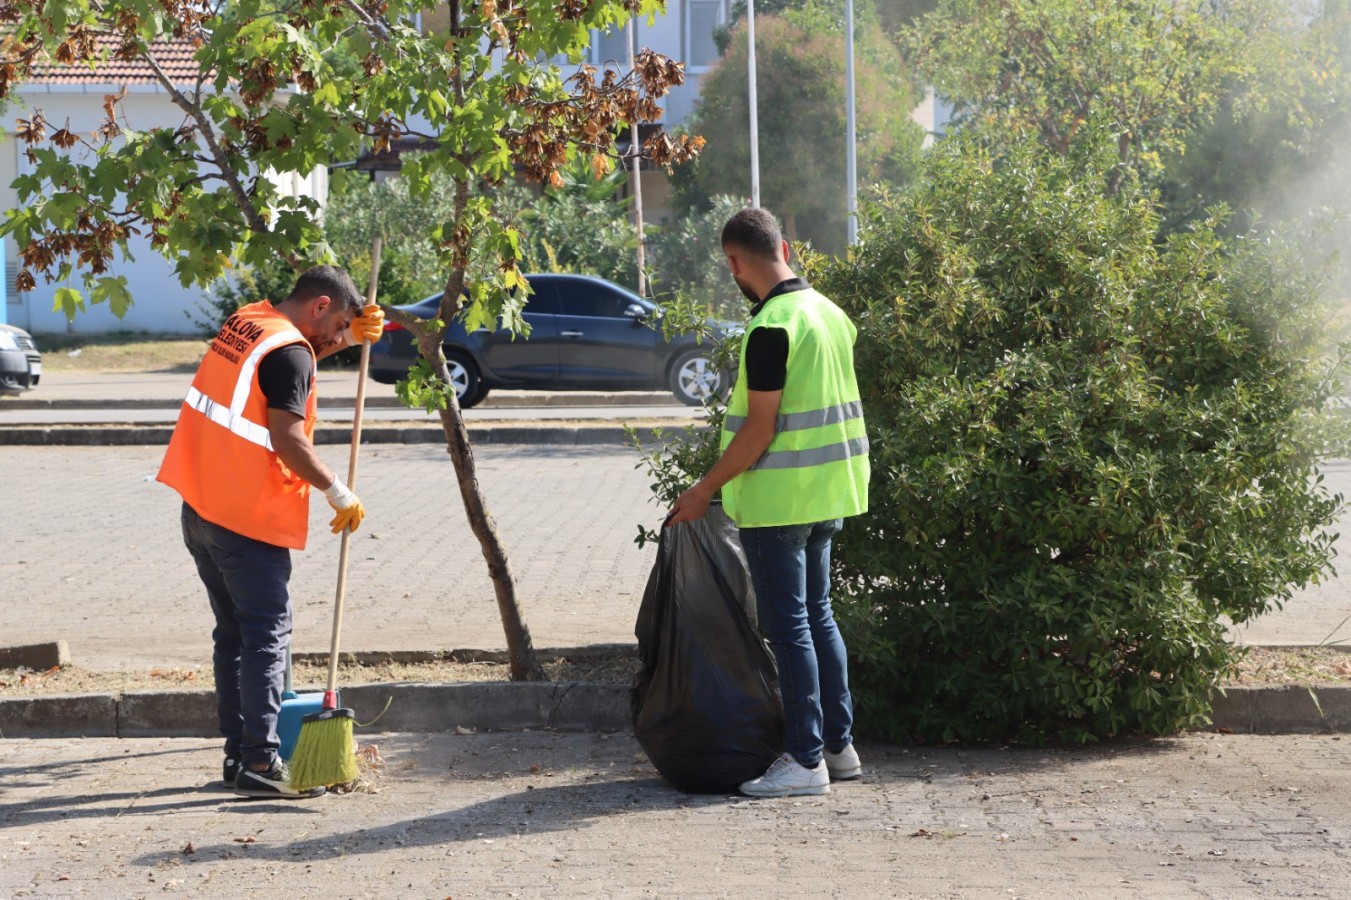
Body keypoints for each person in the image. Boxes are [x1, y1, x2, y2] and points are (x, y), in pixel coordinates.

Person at [157, 265, 384, 799]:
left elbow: (282, 372)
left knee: (233, 636)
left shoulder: (249, 322)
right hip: (245, 519)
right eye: (338, 324)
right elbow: (288, 437)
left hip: (201, 507)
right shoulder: (292, 352)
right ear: (320, 306)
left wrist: (348, 339)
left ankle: (239, 755)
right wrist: (336, 490)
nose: (334, 338)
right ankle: (261, 761)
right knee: (265, 635)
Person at [667, 208, 869, 798]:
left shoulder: (771, 326)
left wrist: (704, 489)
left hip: (780, 501)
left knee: (790, 628)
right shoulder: (830, 314)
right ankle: (839, 745)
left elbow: (758, 430)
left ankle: (806, 762)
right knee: (819, 617)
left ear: (733, 262)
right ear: (784, 245)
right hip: (829, 492)